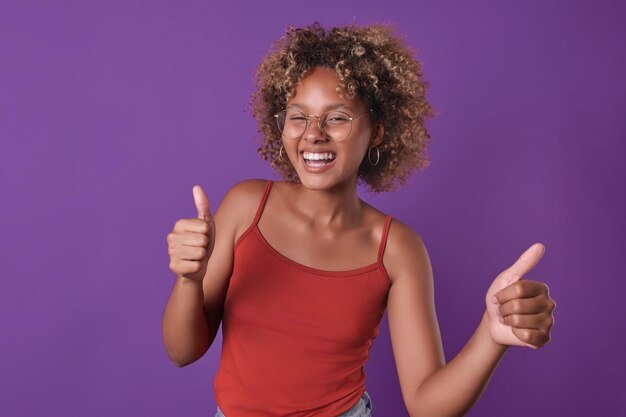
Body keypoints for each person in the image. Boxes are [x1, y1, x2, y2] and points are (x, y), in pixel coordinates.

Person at [162, 22, 556, 417]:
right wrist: (189, 281)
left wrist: (491, 335)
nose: (313, 135)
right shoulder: (246, 206)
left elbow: (427, 405)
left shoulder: (397, 249)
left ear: (377, 132)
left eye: (337, 118)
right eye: (298, 116)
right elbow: (182, 352)